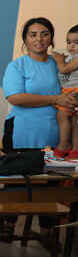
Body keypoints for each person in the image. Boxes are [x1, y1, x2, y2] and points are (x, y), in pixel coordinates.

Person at [1, 18, 78, 240]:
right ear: (25, 39)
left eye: (44, 34)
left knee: (51, 183)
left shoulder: (60, 63)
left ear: (51, 38)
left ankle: (47, 230)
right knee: (17, 180)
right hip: (23, 131)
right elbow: (15, 97)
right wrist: (55, 99)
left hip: (57, 132)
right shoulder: (17, 66)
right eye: (33, 34)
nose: (39, 39)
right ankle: (8, 224)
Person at [53, 24, 78, 157]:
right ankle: (75, 149)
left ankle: (64, 144)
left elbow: (63, 69)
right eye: (69, 42)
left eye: (76, 43)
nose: (71, 46)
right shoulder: (70, 58)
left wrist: (59, 60)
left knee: (62, 114)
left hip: (75, 91)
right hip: (69, 90)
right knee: (74, 120)